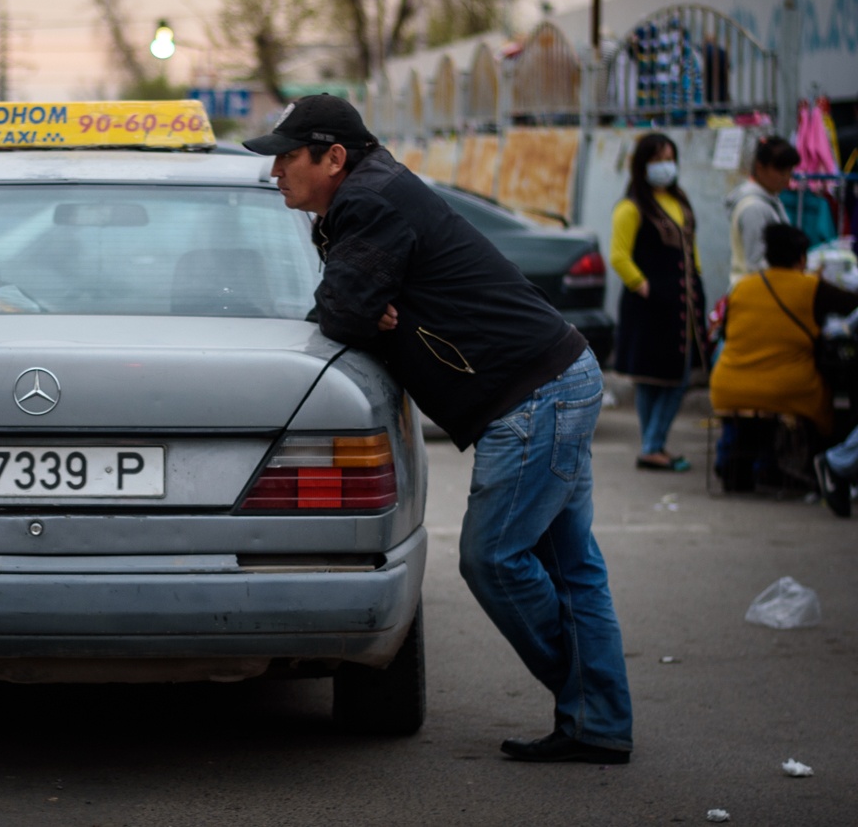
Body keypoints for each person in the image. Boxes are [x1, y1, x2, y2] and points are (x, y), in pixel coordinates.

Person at [244, 94, 632, 765]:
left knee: (494, 559)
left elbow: (340, 311)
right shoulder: (364, 198)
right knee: (572, 569)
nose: (275, 171)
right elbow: (351, 305)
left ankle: (589, 699)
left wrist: (365, 311)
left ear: (333, 157)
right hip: (552, 379)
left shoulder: (372, 201)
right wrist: (364, 309)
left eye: (286, 157)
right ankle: (598, 717)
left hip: (533, 396)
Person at [713, 223, 858, 495]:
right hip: (786, 388)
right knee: (826, 399)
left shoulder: (742, 287)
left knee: (755, 408)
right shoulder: (810, 287)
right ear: (802, 258)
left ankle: (745, 469)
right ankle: (819, 469)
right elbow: (853, 305)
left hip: (727, 382)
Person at [610, 133, 707, 471]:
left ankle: (653, 444)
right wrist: (645, 287)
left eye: (670, 158)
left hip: (683, 303)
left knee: (677, 374)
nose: (665, 166)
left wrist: (695, 281)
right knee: (653, 377)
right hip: (649, 306)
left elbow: (690, 250)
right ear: (643, 165)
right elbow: (619, 256)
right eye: (658, 160)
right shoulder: (631, 206)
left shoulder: (680, 201)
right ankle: (653, 445)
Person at [724, 136, 798, 288]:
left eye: (789, 172)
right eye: (781, 171)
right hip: (754, 294)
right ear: (759, 167)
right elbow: (756, 264)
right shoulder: (754, 207)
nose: (787, 179)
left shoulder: (770, 199)